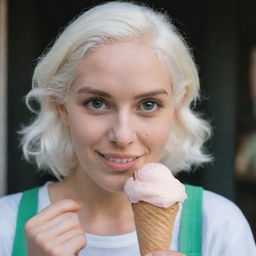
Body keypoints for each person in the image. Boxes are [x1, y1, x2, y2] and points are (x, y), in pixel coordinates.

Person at [0, 1, 255, 256]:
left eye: (148, 104)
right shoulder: (6, 225)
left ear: (176, 108)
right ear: (61, 107)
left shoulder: (218, 226)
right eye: (97, 103)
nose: (122, 136)